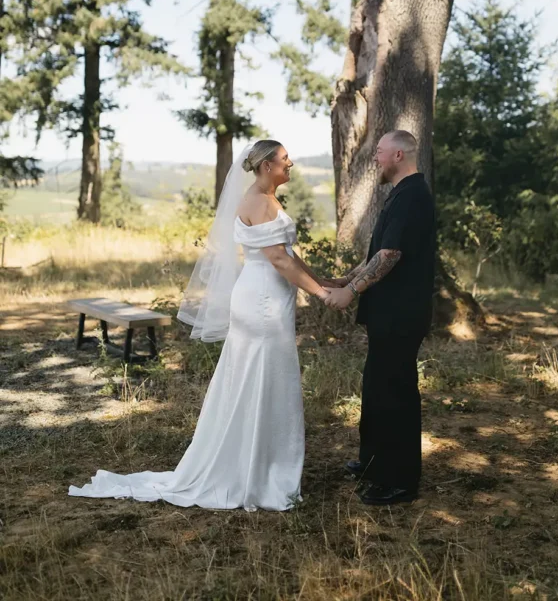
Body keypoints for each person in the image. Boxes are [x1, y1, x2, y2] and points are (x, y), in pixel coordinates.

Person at [69, 139, 332, 512]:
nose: (291, 163)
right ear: (266, 166)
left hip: (262, 298)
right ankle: (256, 471)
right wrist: (322, 294)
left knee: (257, 378)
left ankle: (259, 461)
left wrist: (324, 281)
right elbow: (279, 260)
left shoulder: (266, 201)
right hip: (262, 303)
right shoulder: (262, 202)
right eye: (285, 159)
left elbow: (289, 255)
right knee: (261, 378)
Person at [324, 130, 435, 506]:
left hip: (402, 314)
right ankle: (375, 462)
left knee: (395, 394)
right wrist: (349, 277)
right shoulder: (401, 194)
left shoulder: (413, 196)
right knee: (376, 387)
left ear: (399, 155)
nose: (375, 158)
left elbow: (390, 257)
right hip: (388, 313)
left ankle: (399, 480)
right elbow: (378, 251)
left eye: (380, 152)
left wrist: (351, 292)